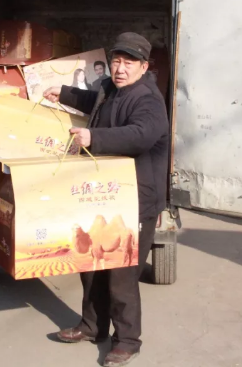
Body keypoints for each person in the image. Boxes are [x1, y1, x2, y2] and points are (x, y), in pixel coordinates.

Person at [44, 32, 169, 367]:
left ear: (144, 66)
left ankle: (127, 340)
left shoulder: (148, 100)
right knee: (92, 264)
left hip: (136, 199)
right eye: (116, 60)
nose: (120, 68)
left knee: (121, 272)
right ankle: (92, 326)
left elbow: (140, 135)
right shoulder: (110, 88)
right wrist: (64, 93)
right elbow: (96, 102)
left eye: (129, 62)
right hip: (105, 194)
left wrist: (93, 137)